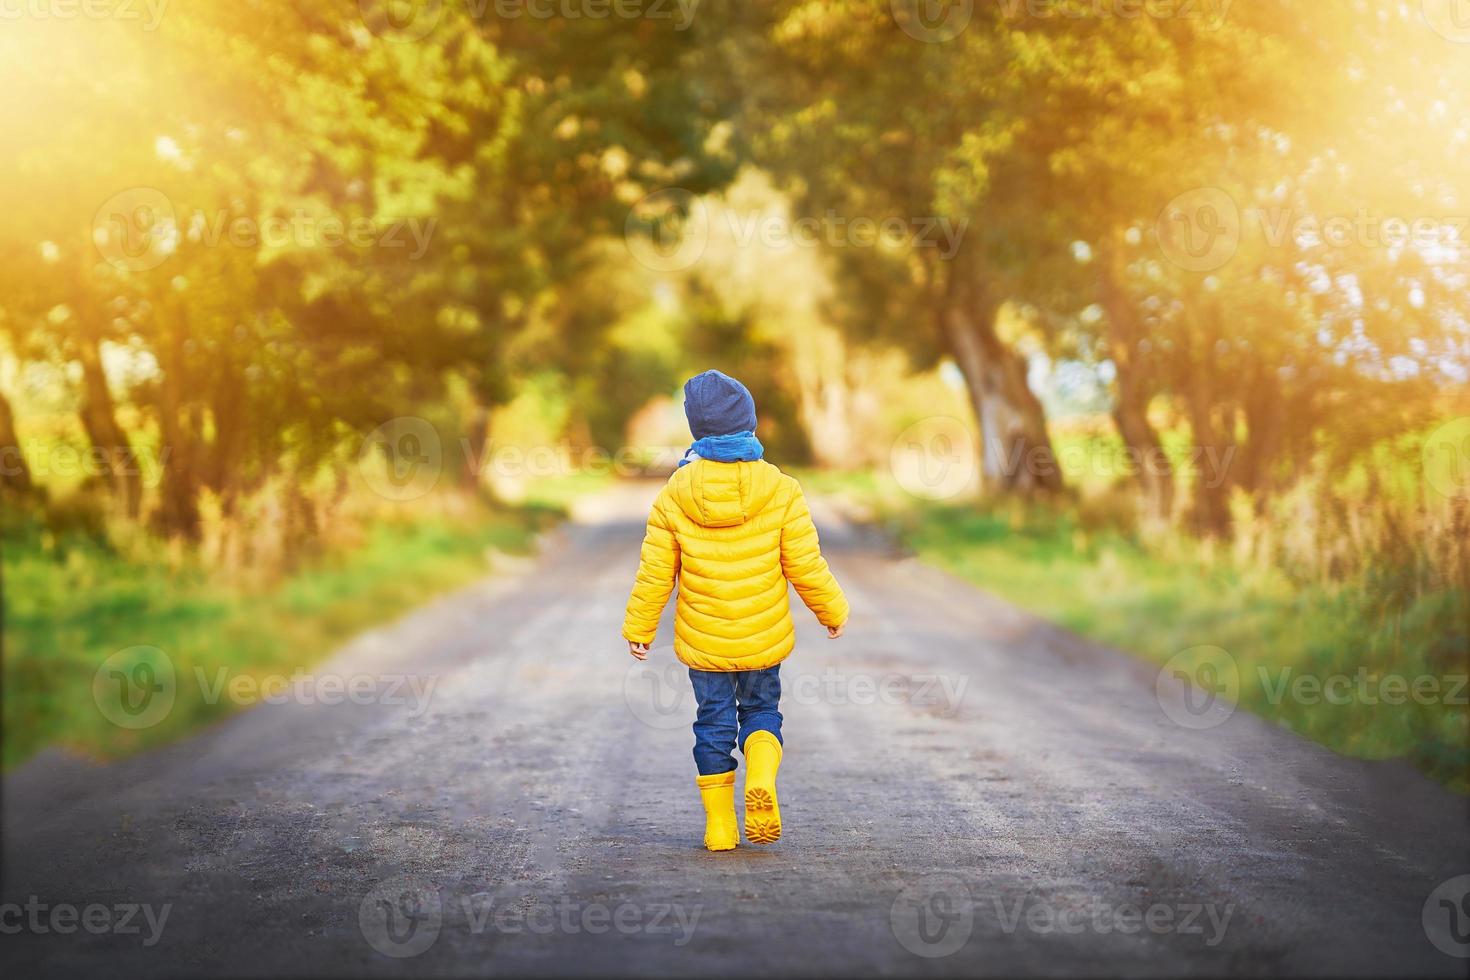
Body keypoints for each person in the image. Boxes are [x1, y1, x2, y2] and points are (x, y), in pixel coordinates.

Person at [622, 369, 849, 851]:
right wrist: (831, 609)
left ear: (696, 429)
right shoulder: (782, 489)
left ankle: (720, 826)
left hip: (705, 644)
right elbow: (805, 564)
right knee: (763, 709)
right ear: (750, 422)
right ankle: (761, 775)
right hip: (762, 639)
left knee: (713, 724)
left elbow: (655, 572)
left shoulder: (673, 495)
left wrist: (640, 626)